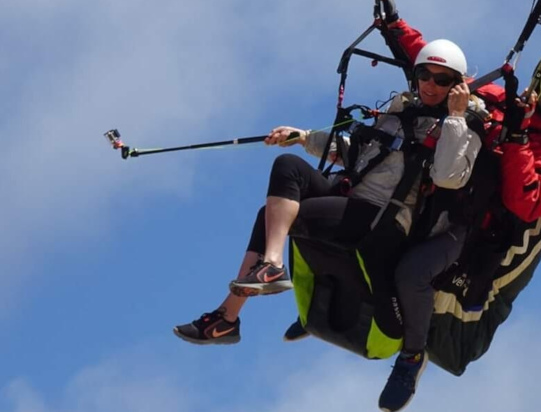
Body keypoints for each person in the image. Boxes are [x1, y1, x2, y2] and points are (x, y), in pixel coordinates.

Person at [281, 2, 541, 410]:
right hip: (420, 199)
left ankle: (410, 361)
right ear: (539, 79)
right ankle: (326, 303)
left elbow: (528, 202)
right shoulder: (498, 98)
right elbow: (438, 71)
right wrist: (392, 26)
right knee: (338, 207)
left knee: (410, 270)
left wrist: (516, 141)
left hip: (466, 232)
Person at [172, 37, 483, 349]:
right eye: (423, 76)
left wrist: (455, 116)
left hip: (385, 216)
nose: (429, 84)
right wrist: (303, 138)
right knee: (287, 166)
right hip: (354, 196)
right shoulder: (403, 108)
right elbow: (361, 154)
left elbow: (448, 178)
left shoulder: (464, 127)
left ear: (458, 85)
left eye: (441, 80)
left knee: (284, 218)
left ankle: (232, 311)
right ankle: (260, 277)